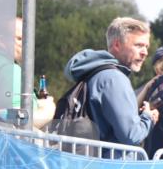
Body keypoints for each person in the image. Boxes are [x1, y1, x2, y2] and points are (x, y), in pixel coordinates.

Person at [63, 17, 158, 147]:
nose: (145, 53)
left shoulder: (94, 72)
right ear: (117, 45)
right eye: (138, 45)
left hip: (91, 161)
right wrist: (148, 118)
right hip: (110, 164)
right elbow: (131, 135)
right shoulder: (114, 79)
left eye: (146, 47)